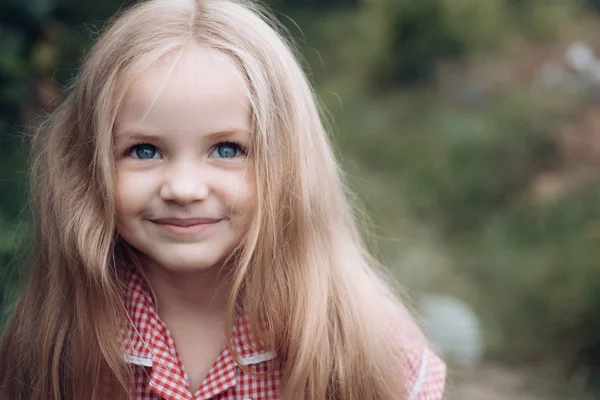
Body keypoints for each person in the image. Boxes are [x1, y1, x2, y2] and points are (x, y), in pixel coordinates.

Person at [0, 0, 446, 399]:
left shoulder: (368, 345)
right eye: (144, 150)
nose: (184, 188)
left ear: (289, 165)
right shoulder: (53, 343)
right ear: (88, 167)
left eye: (227, 150)